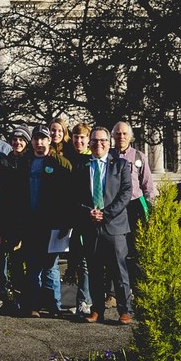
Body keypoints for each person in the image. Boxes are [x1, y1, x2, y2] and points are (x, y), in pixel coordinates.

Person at [75, 126, 134, 325]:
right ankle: (97, 310)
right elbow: (73, 196)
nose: (98, 144)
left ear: (109, 143)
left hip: (114, 227)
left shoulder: (121, 165)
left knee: (119, 271)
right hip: (91, 227)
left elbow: (125, 194)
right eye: (94, 140)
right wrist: (87, 212)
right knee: (94, 271)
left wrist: (105, 214)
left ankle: (125, 311)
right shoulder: (81, 166)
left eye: (103, 141)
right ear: (89, 143)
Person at [20, 125, 72, 318]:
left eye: (43, 139)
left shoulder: (61, 163)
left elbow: (68, 197)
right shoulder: (25, 163)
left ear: (50, 141)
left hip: (53, 225)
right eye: (36, 139)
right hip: (30, 224)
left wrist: (65, 223)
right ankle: (33, 305)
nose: (39, 143)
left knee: (51, 267)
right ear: (32, 141)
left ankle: (53, 306)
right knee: (33, 267)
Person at [110, 121, 156, 290]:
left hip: (134, 206)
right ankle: (115, 291)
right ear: (113, 136)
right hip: (114, 207)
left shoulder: (138, 157)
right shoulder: (108, 156)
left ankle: (136, 287)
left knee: (135, 249)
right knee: (115, 249)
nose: (121, 137)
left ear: (130, 136)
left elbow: (148, 186)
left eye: (124, 134)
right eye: (117, 133)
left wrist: (152, 210)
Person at [0, 125, 32, 313]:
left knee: (25, 261)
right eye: (15, 140)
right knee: (7, 260)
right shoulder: (3, 162)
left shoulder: (31, 162)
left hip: (26, 218)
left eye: (22, 140)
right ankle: (9, 296)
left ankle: (27, 297)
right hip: (7, 218)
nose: (18, 143)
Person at [66, 122, 94, 317]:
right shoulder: (67, 159)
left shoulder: (91, 160)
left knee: (85, 261)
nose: (79, 140)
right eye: (76, 137)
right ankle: (72, 298)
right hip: (69, 216)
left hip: (86, 217)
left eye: (82, 137)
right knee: (73, 261)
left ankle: (85, 300)